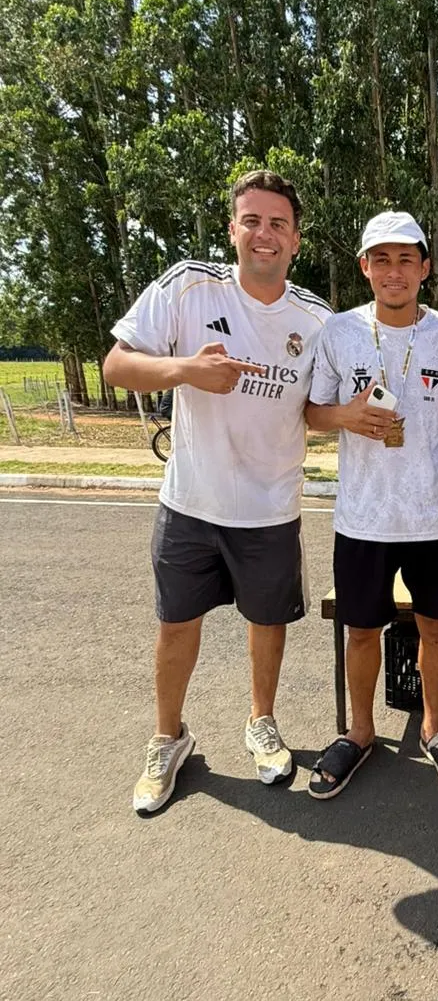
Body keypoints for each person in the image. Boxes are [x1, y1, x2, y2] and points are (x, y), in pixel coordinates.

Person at [104, 169, 332, 813]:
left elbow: (316, 409)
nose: (265, 234)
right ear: (233, 230)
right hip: (190, 503)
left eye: (278, 224)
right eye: (252, 221)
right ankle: (167, 738)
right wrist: (187, 370)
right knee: (176, 624)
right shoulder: (188, 285)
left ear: (296, 239)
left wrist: (353, 415)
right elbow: (116, 365)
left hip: (270, 507)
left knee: (268, 623)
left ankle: (262, 721)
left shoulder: (317, 319)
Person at [305, 211, 438, 798]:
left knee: (436, 629)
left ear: (425, 268)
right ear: (364, 267)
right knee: (360, 631)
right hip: (363, 518)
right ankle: (360, 731)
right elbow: (312, 413)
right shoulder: (339, 332)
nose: (393, 271)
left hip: (434, 519)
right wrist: (346, 415)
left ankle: (433, 727)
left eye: (406, 259)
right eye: (382, 259)